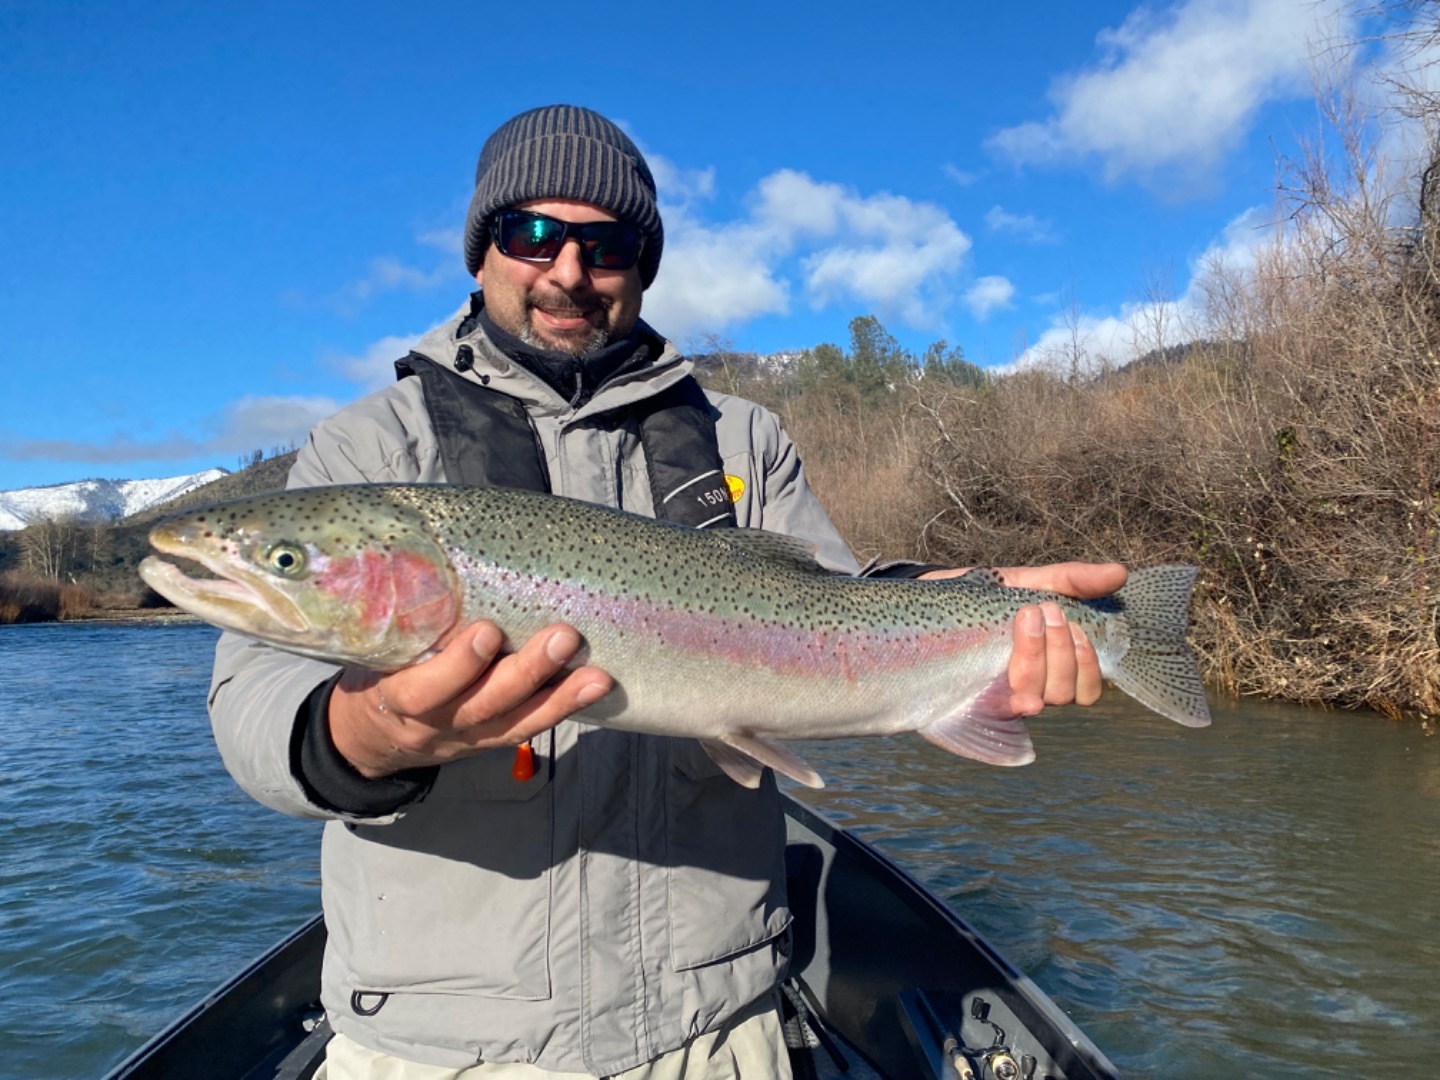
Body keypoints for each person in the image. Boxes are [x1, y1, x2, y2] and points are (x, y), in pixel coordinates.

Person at [208, 104, 1126, 1080]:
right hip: (439, 1045)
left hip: (719, 1024)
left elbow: (830, 604)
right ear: (480, 254)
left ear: (642, 266)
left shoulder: (742, 439)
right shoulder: (367, 450)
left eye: (604, 245)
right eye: (532, 234)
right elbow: (252, 706)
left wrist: (956, 624)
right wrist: (364, 738)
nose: (567, 269)